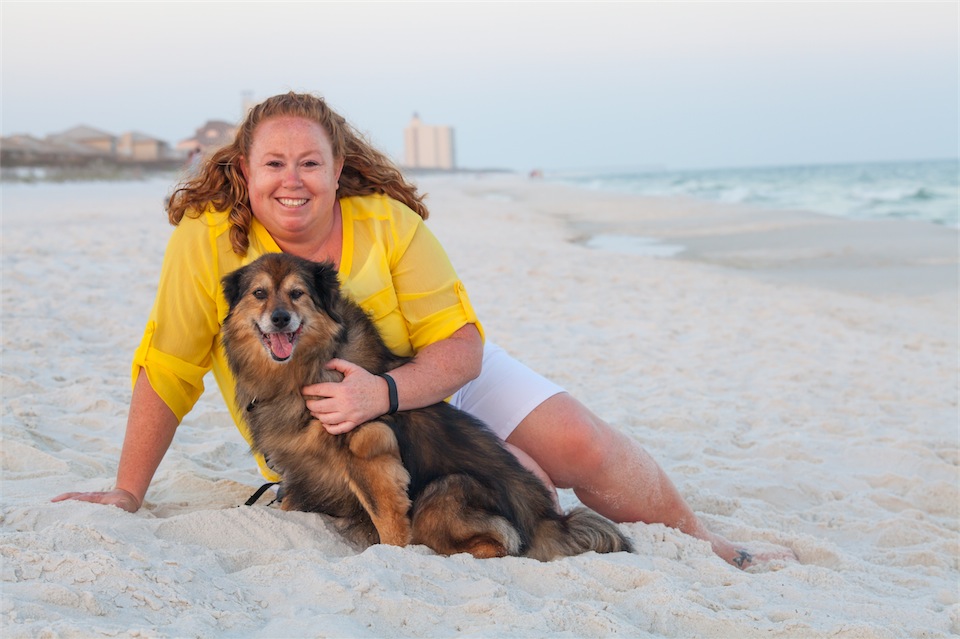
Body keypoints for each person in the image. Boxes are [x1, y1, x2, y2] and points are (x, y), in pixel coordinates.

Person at [54, 92, 794, 570]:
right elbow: (171, 364)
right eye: (273, 163)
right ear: (243, 171)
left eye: (310, 162)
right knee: (522, 497)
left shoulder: (389, 225)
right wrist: (127, 490)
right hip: (326, 418)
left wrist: (385, 390)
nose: (292, 179)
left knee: (579, 447)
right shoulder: (205, 239)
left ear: (338, 169)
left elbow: (463, 346)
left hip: (430, 374)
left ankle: (705, 544)